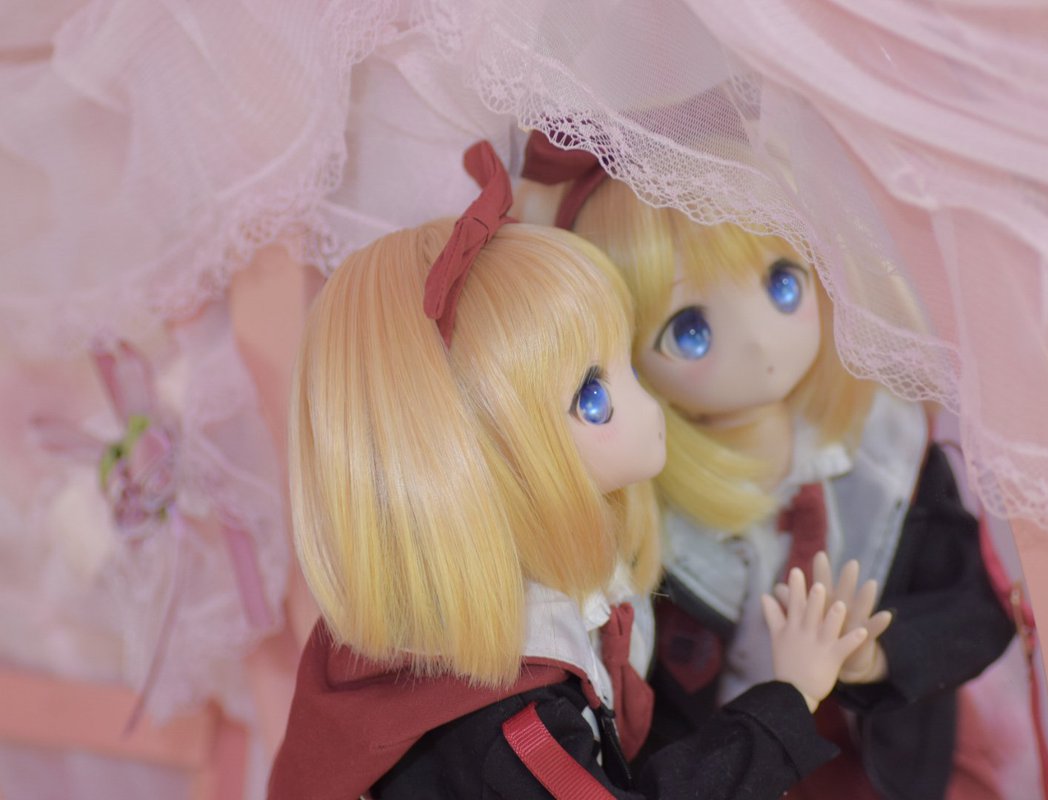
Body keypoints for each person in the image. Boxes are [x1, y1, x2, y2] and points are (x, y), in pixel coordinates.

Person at [267, 141, 878, 799]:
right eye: (593, 398)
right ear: (477, 466)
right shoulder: (507, 721)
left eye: (629, 364)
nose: (650, 406)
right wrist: (789, 699)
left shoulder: (546, 610)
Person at [521, 131, 1016, 800]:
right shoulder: (651, 517)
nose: (759, 343)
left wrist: (877, 657)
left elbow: (975, 607)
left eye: (783, 284)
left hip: (890, 763)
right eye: (690, 330)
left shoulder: (885, 449)